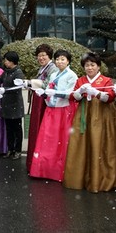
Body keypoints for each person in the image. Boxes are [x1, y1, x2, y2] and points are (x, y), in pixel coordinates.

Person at [62, 52, 116, 193]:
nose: (90, 68)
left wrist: (96, 93)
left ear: (98, 66)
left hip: (102, 114)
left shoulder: (105, 80)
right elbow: (73, 97)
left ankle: (102, 178)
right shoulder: (80, 80)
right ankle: (83, 177)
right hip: (84, 114)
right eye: (87, 65)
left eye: (93, 65)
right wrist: (79, 92)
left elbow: (110, 97)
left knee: (102, 143)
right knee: (82, 144)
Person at [29, 49, 77, 182]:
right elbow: (49, 89)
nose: (59, 61)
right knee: (47, 139)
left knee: (60, 140)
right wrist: (44, 93)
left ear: (68, 61)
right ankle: (45, 169)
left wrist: (52, 93)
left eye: (63, 59)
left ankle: (59, 171)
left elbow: (70, 93)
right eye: (57, 59)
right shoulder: (54, 73)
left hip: (63, 110)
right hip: (51, 108)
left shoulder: (72, 75)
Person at [21, 44, 58, 173]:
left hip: (44, 101)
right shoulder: (42, 68)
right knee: (36, 129)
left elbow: (49, 84)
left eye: (44, 55)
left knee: (41, 130)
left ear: (49, 56)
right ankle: (35, 162)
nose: (41, 58)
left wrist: (32, 83)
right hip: (38, 100)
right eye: (39, 55)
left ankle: (40, 163)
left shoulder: (52, 68)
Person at [0, 51, 25, 159]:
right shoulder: (6, 72)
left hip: (15, 104)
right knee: (9, 129)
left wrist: (4, 90)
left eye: (6, 60)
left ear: (12, 61)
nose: (5, 62)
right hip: (6, 104)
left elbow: (17, 88)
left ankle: (18, 150)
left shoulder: (18, 73)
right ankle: (10, 149)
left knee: (17, 129)